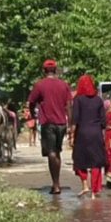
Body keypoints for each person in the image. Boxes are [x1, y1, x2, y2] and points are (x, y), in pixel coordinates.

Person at [28, 59, 73, 194]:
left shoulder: (39, 85)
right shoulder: (64, 85)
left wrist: (33, 114)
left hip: (48, 123)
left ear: (44, 71)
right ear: (56, 70)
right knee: (57, 152)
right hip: (62, 123)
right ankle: (56, 182)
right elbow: (69, 106)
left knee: (51, 153)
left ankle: (56, 184)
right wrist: (70, 124)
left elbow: (31, 102)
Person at [69, 74, 107, 198]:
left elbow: (75, 119)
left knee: (79, 160)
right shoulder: (99, 100)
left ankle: (85, 185)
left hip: (82, 133)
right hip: (96, 133)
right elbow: (103, 121)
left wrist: (71, 135)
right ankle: (94, 192)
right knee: (96, 162)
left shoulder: (78, 99)